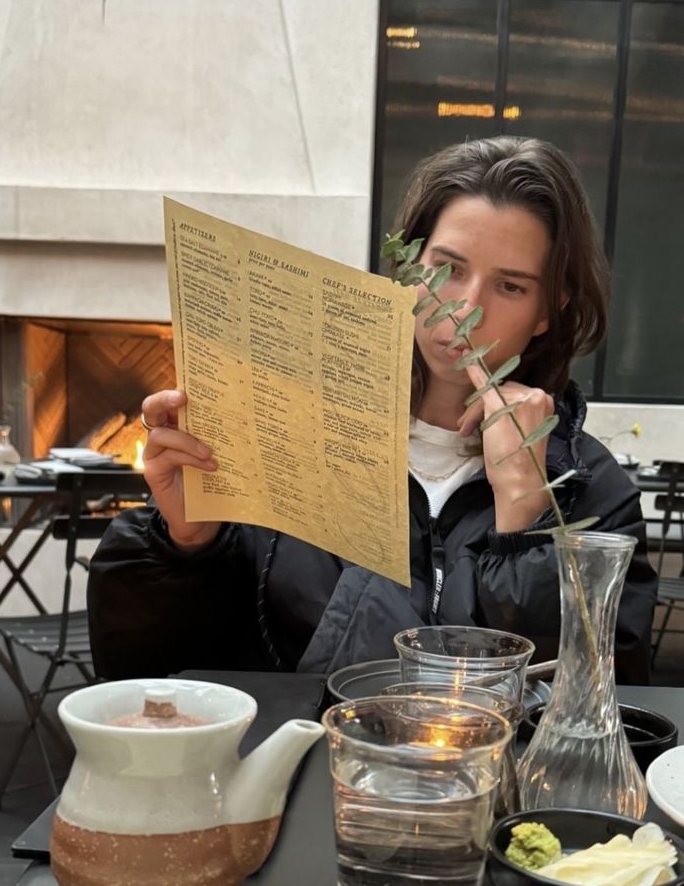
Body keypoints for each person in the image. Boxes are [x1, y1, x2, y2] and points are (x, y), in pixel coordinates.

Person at [88, 136, 657, 684]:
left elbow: (605, 705)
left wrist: (525, 521)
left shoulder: (588, 488)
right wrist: (187, 544)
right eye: (447, 269)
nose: (465, 309)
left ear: (546, 312)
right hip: (306, 769)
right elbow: (155, 673)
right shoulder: (294, 429)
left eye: (510, 287)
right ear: (408, 272)